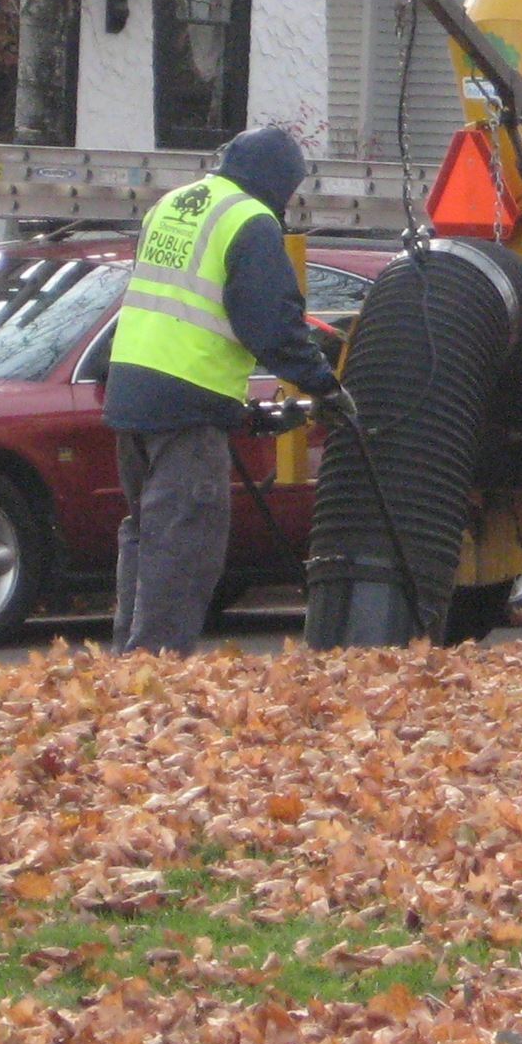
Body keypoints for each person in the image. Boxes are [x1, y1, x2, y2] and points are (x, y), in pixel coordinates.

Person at [103, 126, 345, 655]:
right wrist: (325, 384)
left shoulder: (174, 203)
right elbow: (270, 324)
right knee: (185, 541)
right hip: (185, 404)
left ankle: (127, 663)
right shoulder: (249, 220)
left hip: (130, 390)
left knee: (145, 532)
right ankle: (155, 670)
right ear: (280, 183)